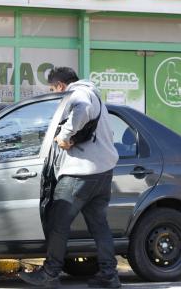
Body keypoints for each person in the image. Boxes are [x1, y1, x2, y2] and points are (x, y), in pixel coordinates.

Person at [19, 67, 120, 288]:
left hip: (79, 173)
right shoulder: (94, 94)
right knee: (99, 226)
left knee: (58, 223)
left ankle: (50, 273)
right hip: (102, 172)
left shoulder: (78, 93)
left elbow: (81, 107)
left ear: (60, 85)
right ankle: (109, 274)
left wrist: (65, 135)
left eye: (53, 89)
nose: (54, 94)